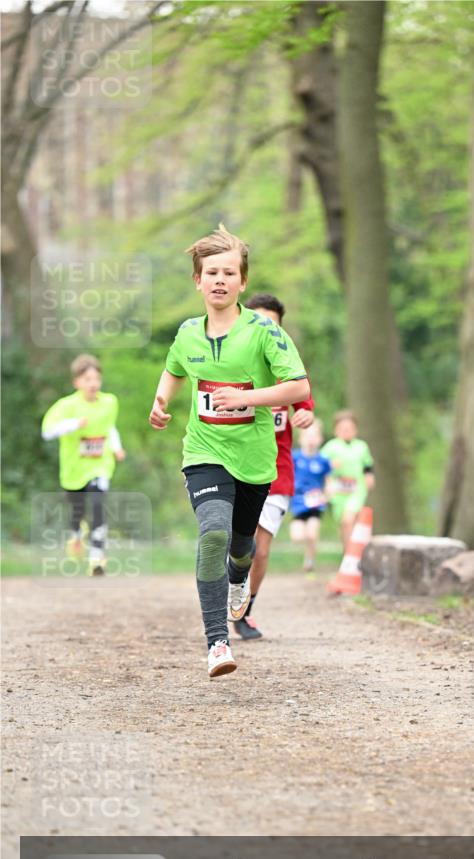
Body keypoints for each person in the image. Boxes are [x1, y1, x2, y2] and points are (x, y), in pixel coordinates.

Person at [148, 223, 310, 679]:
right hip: (204, 450)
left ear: (243, 282)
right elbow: (174, 369)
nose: (219, 280)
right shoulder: (187, 333)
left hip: (255, 460)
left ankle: (239, 577)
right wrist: (161, 403)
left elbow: (298, 385)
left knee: (243, 546)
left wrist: (247, 398)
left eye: (229, 273)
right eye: (211, 272)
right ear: (197, 281)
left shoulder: (264, 333)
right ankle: (217, 642)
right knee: (213, 534)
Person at [233, 292, 314, 641]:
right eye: (258, 322)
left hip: (276, 472)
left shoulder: (288, 373)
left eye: (272, 325)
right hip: (234, 468)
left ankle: (245, 609)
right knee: (235, 543)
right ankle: (222, 596)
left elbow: (303, 404)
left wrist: (305, 414)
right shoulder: (230, 367)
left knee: (259, 549)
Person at [41, 354, 125, 576]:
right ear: (76, 382)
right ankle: (76, 534)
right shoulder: (66, 405)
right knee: (77, 511)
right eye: (87, 379)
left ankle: (97, 559)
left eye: (96, 378)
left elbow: (109, 427)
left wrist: (116, 447)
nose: (93, 383)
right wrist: (73, 424)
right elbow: (47, 431)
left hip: (100, 465)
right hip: (73, 469)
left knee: (98, 506)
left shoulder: (110, 402)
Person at [321, 410, 375, 550]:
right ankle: (349, 553)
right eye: (343, 429)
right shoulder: (331, 446)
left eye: (350, 428)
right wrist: (330, 467)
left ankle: (352, 553)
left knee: (349, 518)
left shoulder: (361, 446)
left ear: (355, 430)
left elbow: (367, 465)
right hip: (337, 492)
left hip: (357, 489)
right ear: (335, 430)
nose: (346, 431)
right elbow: (321, 466)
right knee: (344, 524)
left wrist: (369, 477)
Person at [290, 419, 332, 573]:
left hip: (316, 503)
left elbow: (329, 480)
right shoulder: (294, 457)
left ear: (320, 439)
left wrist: (327, 495)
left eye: (314, 436)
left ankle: (310, 560)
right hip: (298, 503)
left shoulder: (323, 460)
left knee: (312, 534)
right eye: (307, 435)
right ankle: (306, 552)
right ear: (300, 439)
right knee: (297, 537)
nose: (311, 439)